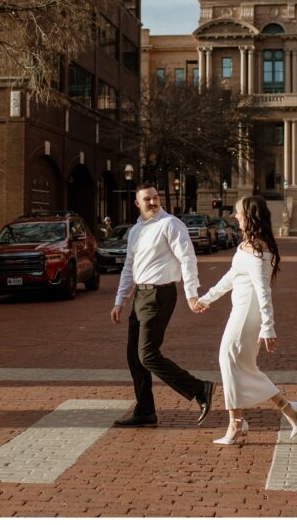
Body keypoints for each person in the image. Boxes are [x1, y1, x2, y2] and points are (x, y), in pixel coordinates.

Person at [193, 195, 297, 445]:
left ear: (250, 216)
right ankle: (289, 409)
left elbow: (263, 289)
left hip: (247, 314)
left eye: (238, 213)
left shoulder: (257, 250)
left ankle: (236, 423)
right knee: (243, 366)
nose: (235, 216)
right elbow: (231, 277)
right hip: (240, 310)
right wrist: (207, 299)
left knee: (228, 360)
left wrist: (268, 327)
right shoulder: (248, 246)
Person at [110, 183, 215, 428]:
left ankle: (200, 389)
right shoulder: (136, 230)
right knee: (134, 357)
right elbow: (129, 267)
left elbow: (187, 258)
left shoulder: (170, 224)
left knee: (147, 354)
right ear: (137, 203)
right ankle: (145, 411)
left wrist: (191, 294)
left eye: (155, 197)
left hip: (160, 294)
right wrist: (120, 301)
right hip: (140, 295)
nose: (153, 202)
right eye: (147, 199)